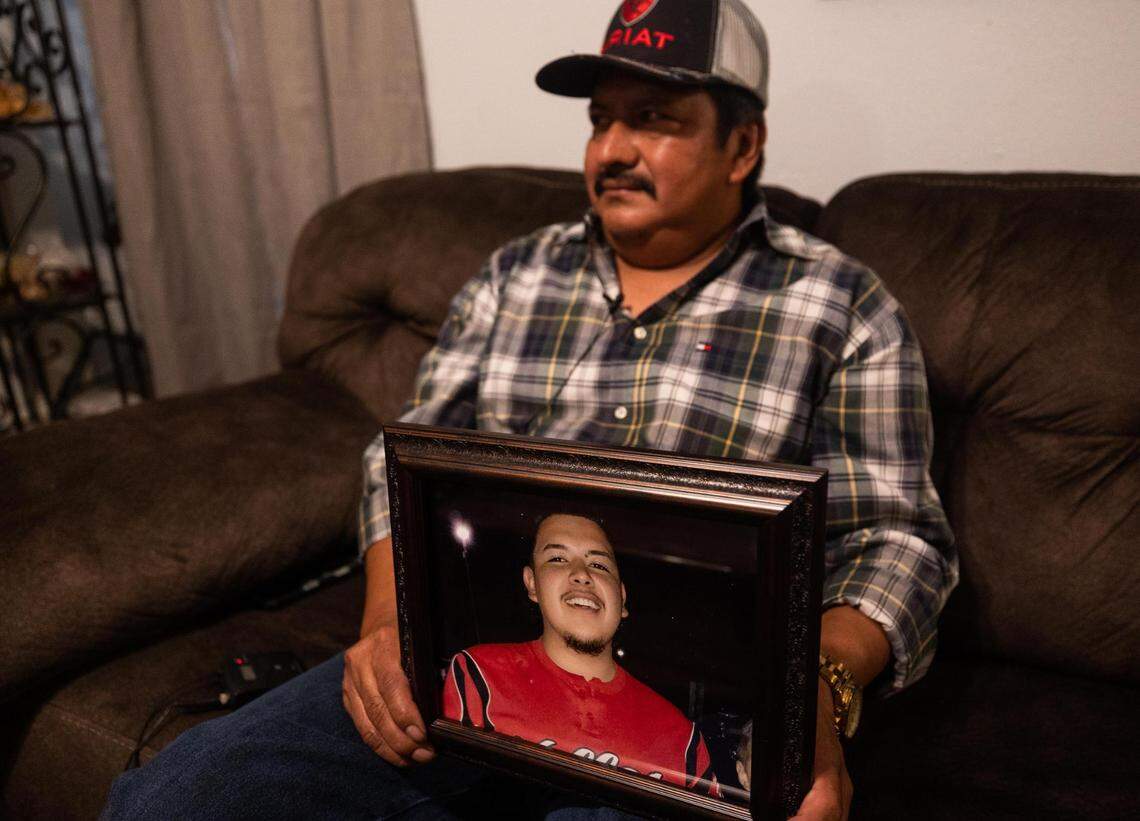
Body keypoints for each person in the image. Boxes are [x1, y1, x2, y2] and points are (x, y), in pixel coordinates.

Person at [104, 1, 955, 818]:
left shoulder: (840, 304)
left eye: (653, 117)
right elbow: (399, 455)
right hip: (469, 671)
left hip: (688, 709)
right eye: (599, 119)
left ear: (743, 146)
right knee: (174, 798)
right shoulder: (516, 275)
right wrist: (388, 623)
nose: (612, 150)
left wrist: (816, 686)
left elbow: (898, 540)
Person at [443, 513, 719, 794]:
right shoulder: (481, 675)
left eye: (599, 565)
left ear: (621, 598)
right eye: (558, 559)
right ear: (532, 584)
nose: (582, 575)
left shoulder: (681, 736)